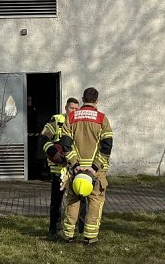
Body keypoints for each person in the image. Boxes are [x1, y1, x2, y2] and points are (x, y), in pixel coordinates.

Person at [59, 87, 113, 246]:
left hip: (75, 169)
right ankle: (90, 237)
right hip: (96, 171)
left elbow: (66, 144)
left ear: (83, 99)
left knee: (72, 201)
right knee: (95, 201)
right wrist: (94, 167)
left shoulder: (71, 117)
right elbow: (107, 145)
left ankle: (68, 234)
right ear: (97, 101)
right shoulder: (102, 119)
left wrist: (75, 164)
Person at [40, 97, 80, 236]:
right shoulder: (57, 120)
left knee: (80, 199)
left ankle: (80, 229)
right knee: (56, 201)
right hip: (59, 168)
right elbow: (43, 137)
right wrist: (53, 152)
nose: (73, 111)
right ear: (66, 108)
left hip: (75, 167)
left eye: (76, 109)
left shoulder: (80, 122)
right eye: (71, 108)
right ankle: (54, 230)